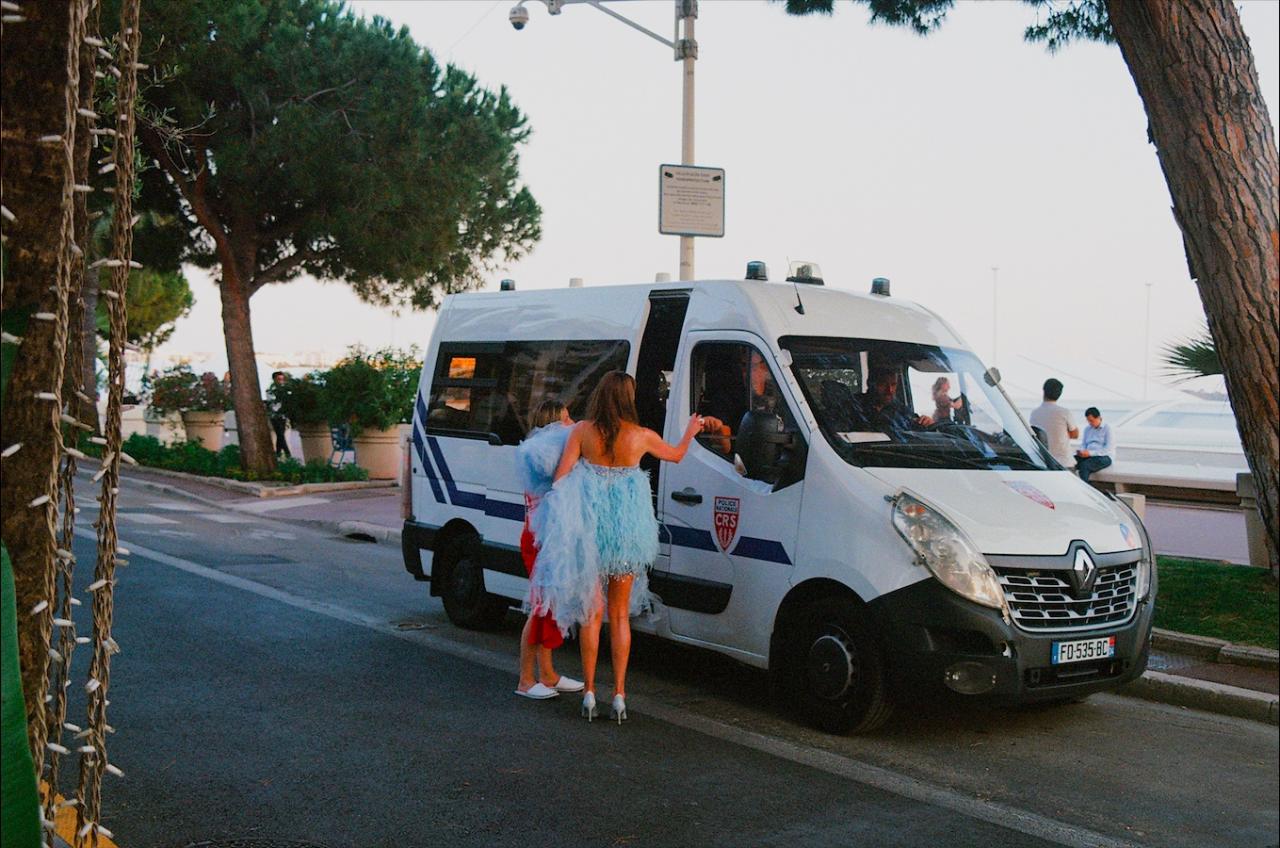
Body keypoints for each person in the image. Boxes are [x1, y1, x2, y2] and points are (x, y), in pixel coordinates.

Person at [529, 371, 702, 723]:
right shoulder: (641, 436)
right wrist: (690, 431)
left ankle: (590, 692)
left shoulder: (582, 431)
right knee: (620, 614)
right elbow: (676, 455)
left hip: (590, 530)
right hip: (626, 532)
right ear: (628, 397)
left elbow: (560, 478)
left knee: (592, 614)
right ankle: (620, 695)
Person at [512, 399, 584, 700]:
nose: (572, 423)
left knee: (550, 607)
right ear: (553, 424)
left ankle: (548, 674)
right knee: (540, 606)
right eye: (566, 419)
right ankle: (525, 680)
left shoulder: (548, 451)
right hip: (540, 539)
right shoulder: (540, 454)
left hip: (550, 537)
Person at [849, 366, 934, 434]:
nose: (889, 390)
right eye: (883, 384)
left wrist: (926, 422)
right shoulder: (853, 406)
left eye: (893, 384)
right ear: (870, 383)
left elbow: (916, 424)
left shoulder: (901, 410)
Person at [1029, 378, 1078, 468]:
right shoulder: (1064, 412)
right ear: (1059, 394)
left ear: (1044, 391)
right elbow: (1075, 434)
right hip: (1064, 463)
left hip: (1044, 463)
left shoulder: (1034, 413)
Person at [1075, 407, 1115, 483]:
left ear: (1099, 418)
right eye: (1088, 421)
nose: (1090, 423)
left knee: (1085, 466)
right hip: (1089, 455)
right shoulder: (1087, 429)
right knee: (1072, 461)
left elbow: (1108, 449)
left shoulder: (1107, 428)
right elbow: (1084, 444)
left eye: (1091, 421)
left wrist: (1090, 453)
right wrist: (1082, 451)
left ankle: (1084, 488)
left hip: (1104, 456)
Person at [266, 371, 291, 458]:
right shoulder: (271, 391)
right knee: (280, 435)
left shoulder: (284, 390)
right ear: (274, 380)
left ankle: (278, 453)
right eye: (279, 379)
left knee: (280, 435)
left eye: (282, 379)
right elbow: (273, 405)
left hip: (283, 415)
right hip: (275, 416)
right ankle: (288, 453)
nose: (281, 381)